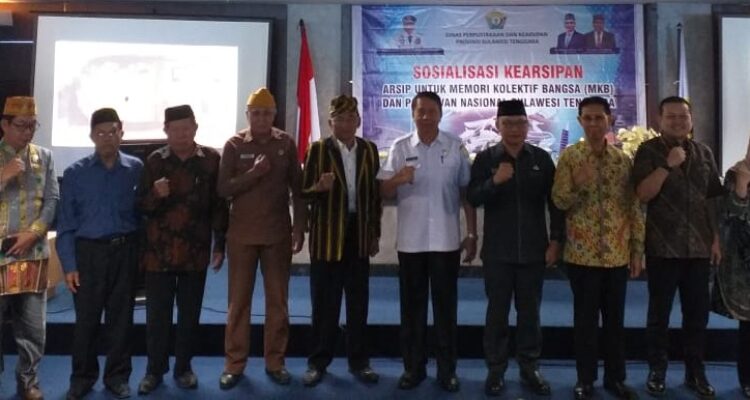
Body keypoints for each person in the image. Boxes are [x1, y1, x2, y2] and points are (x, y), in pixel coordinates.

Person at [378, 91, 477, 393]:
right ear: (413, 114)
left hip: (446, 243)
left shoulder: (455, 146)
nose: (425, 117)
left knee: (446, 311)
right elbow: (382, 191)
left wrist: (472, 234)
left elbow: (467, 194)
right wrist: (398, 179)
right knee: (412, 311)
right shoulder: (400, 147)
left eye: (431, 111)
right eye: (420, 111)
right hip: (412, 243)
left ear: (440, 114)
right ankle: (413, 368)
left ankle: (447, 371)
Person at [468, 99, 563, 397]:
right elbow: (473, 197)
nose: (514, 129)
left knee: (530, 314)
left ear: (527, 125)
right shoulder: (485, 159)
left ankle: (529, 367)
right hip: (497, 252)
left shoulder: (541, 159)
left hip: (534, 251)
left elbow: (556, 204)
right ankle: (496, 370)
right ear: (497, 126)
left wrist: (556, 241)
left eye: (520, 123)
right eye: (508, 123)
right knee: (496, 314)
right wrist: (494, 181)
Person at [552, 96, 643, 400]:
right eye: (587, 118)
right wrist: (576, 182)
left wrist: (636, 250)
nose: (593, 123)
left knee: (615, 322)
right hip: (582, 255)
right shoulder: (570, 158)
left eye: (599, 118)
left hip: (616, 254)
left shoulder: (622, 160)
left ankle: (616, 379)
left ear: (609, 120)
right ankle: (585, 379)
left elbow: (633, 207)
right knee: (585, 322)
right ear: (580, 121)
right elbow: (559, 201)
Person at [632, 96, 723, 399]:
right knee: (659, 315)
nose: (678, 121)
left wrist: (716, 237)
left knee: (697, 315)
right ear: (660, 120)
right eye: (671, 116)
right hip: (662, 248)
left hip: (699, 248)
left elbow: (713, 198)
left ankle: (695, 371)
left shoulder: (704, 152)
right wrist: (667, 165)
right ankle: (657, 371)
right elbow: (642, 194)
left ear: (691, 120)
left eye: (683, 116)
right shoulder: (648, 151)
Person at [217, 87, 306, 390]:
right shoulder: (233, 145)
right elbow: (223, 189)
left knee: (278, 303)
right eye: (256, 113)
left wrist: (299, 227)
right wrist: (254, 174)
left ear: (274, 115)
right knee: (238, 303)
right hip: (241, 236)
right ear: (247, 115)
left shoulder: (286, 143)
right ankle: (234, 364)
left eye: (267, 113)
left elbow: (298, 189)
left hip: (277, 235)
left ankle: (275, 362)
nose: (261, 118)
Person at [136, 105, 228, 394]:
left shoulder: (211, 160)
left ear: (195, 128)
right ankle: (154, 371)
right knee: (157, 318)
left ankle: (184, 368)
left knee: (190, 316)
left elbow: (219, 205)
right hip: (158, 254)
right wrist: (155, 194)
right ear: (166, 131)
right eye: (175, 129)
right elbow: (140, 207)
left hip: (195, 251)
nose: (181, 134)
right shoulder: (154, 161)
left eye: (186, 128)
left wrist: (219, 244)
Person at [57, 108, 143, 400]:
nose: (107, 138)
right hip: (88, 255)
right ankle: (82, 378)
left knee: (121, 320)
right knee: (86, 321)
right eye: (101, 133)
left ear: (121, 133)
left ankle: (117, 377)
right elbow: (66, 224)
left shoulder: (136, 169)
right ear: (92, 136)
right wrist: (69, 265)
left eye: (112, 131)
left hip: (125, 251)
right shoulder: (75, 173)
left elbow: (143, 216)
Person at [300, 95, 382, 387]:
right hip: (327, 236)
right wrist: (318, 188)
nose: (345, 124)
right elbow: (303, 193)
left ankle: (359, 362)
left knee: (358, 302)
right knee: (325, 303)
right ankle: (318, 362)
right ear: (330, 122)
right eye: (339, 119)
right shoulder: (318, 149)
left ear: (358, 121)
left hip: (358, 234)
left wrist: (374, 233)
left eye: (350, 119)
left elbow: (374, 196)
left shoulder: (369, 149)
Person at [0, 96, 58, 400]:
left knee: (34, 328)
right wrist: (3, 175)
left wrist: (34, 233)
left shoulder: (44, 157)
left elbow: (52, 200)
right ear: (5, 125)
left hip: (33, 254)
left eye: (32, 126)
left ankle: (28, 381)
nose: (27, 132)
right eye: (21, 125)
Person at [714, 150, 750, 399]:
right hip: (743, 258)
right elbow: (729, 212)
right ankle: (747, 379)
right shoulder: (735, 173)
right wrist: (742, 187)